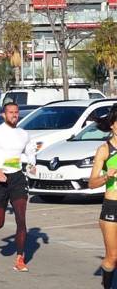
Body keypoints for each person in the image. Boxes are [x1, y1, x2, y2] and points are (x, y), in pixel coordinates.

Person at [0, 102, 36, 272]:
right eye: (10, 112)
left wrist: (32, 163)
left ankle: (20, 258)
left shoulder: (23, 134)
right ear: (4, 115)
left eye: (16, 112)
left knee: (21, 219)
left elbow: (30, 152)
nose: (14, 115)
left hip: (17, 178)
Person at [89, 107, 117, 289]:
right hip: (112, 206)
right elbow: (91, 183)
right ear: (113, 126)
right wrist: (107, 176)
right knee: (112, 257)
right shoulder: (104, 149)